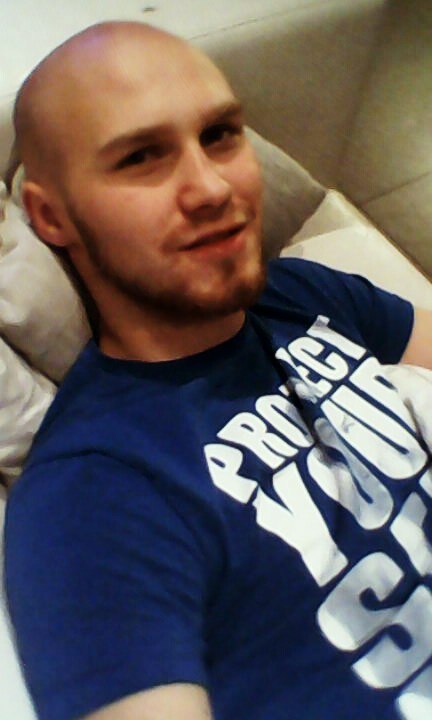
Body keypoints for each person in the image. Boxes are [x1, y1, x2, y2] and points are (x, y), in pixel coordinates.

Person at [4, 20, 432, 720]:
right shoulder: (88, 496)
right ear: (53, 219)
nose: (209, 187)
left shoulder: (308, 294)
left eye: (220, 135)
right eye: (142, 156)